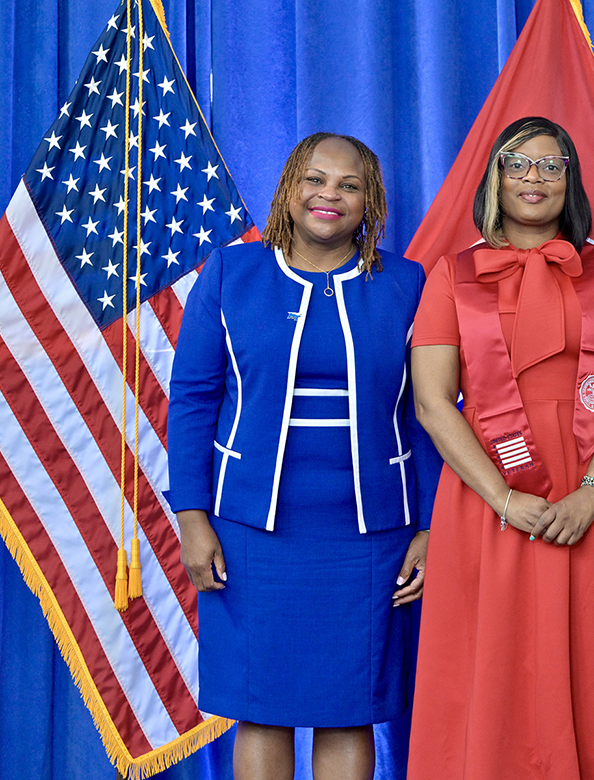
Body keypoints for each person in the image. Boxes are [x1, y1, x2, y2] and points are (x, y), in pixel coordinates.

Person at [407, 116, 594, 779]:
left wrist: (593, 492)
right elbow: (431, 401)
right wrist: (502, 497)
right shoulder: (451, 275)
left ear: (571, 179)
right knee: (496, 660)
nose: (534, 179)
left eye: (551, 166)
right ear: (495, 178)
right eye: (518, 165)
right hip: (488, 492)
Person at [167, 132, 441, 780]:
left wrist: (430, 527)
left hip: (370, 536)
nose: (330, 196)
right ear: (289, 189)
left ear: (370, 201)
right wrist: (192, 516)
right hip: (250, 533)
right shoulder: (232, 275)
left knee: (348, 708)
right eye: (316, 180)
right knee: (263, 709)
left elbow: (429, 415)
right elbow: (192, 399)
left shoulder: (407, 284)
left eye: (349, 185)